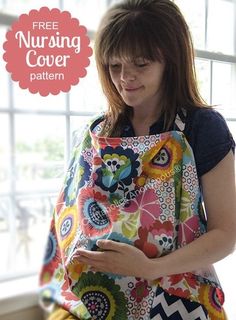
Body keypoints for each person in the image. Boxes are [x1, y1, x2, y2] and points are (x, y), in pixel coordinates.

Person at [39, 0, 236, 319]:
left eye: (141, 64)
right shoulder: (101, 130)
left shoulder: (201, 127)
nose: (124, 78)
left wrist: (149, 268)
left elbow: (226, 234)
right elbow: (74, 211)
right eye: (114, 66)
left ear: (170, 61)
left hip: (175, 291)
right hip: (96, 292)